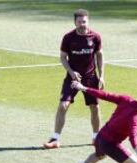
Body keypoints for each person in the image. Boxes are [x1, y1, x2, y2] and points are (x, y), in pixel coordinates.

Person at [43, 9, 104, 149]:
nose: (82, 24)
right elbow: (63, 57)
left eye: (84, 21)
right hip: (72, 78)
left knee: (94, 107)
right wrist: (71, 72)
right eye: (79, 22)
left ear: (88, 21)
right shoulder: (68, 38)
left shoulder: (95, 37)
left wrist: (101, 76)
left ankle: (96, 137)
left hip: (90, 78)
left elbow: (99, 55)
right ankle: (55, 139)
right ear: (74, 22)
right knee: (63, 105)